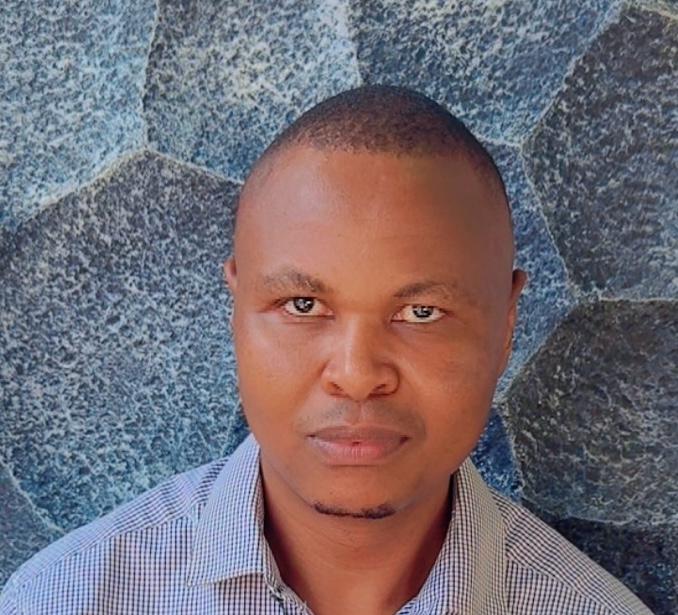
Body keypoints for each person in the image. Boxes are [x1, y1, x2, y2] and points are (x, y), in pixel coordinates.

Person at [0, 85, 652, 615]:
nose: (357, 374)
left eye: (421, 313)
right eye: (303, 306)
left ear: (507, 324)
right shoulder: (65, 600)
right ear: (236, 309)